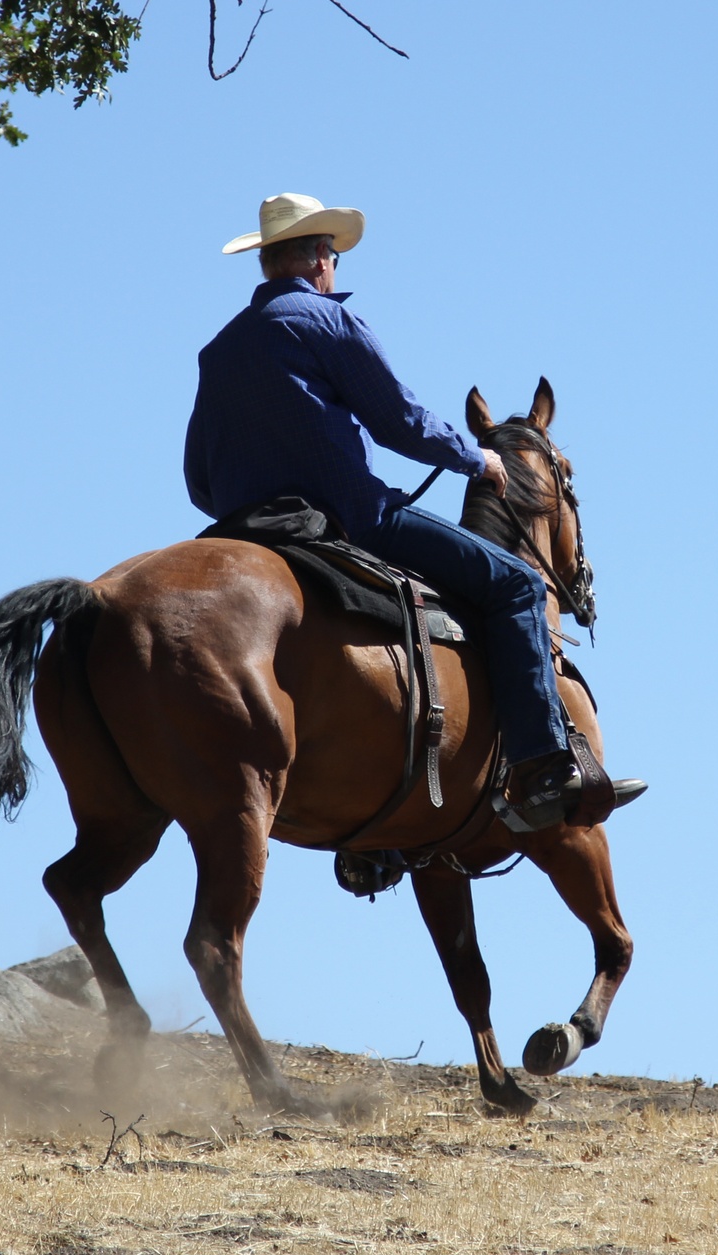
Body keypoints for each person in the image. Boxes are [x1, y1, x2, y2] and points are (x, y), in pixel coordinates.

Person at [184, 192, 587, 824]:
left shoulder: (219, 350)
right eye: (334, 254)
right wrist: (475, 459)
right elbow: (400, 420)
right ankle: (539, 765)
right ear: (320, 257)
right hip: (350, 520)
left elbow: (199, 483)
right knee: (514, 584)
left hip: (240, 529)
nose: (335, 266)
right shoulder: (326, 322)